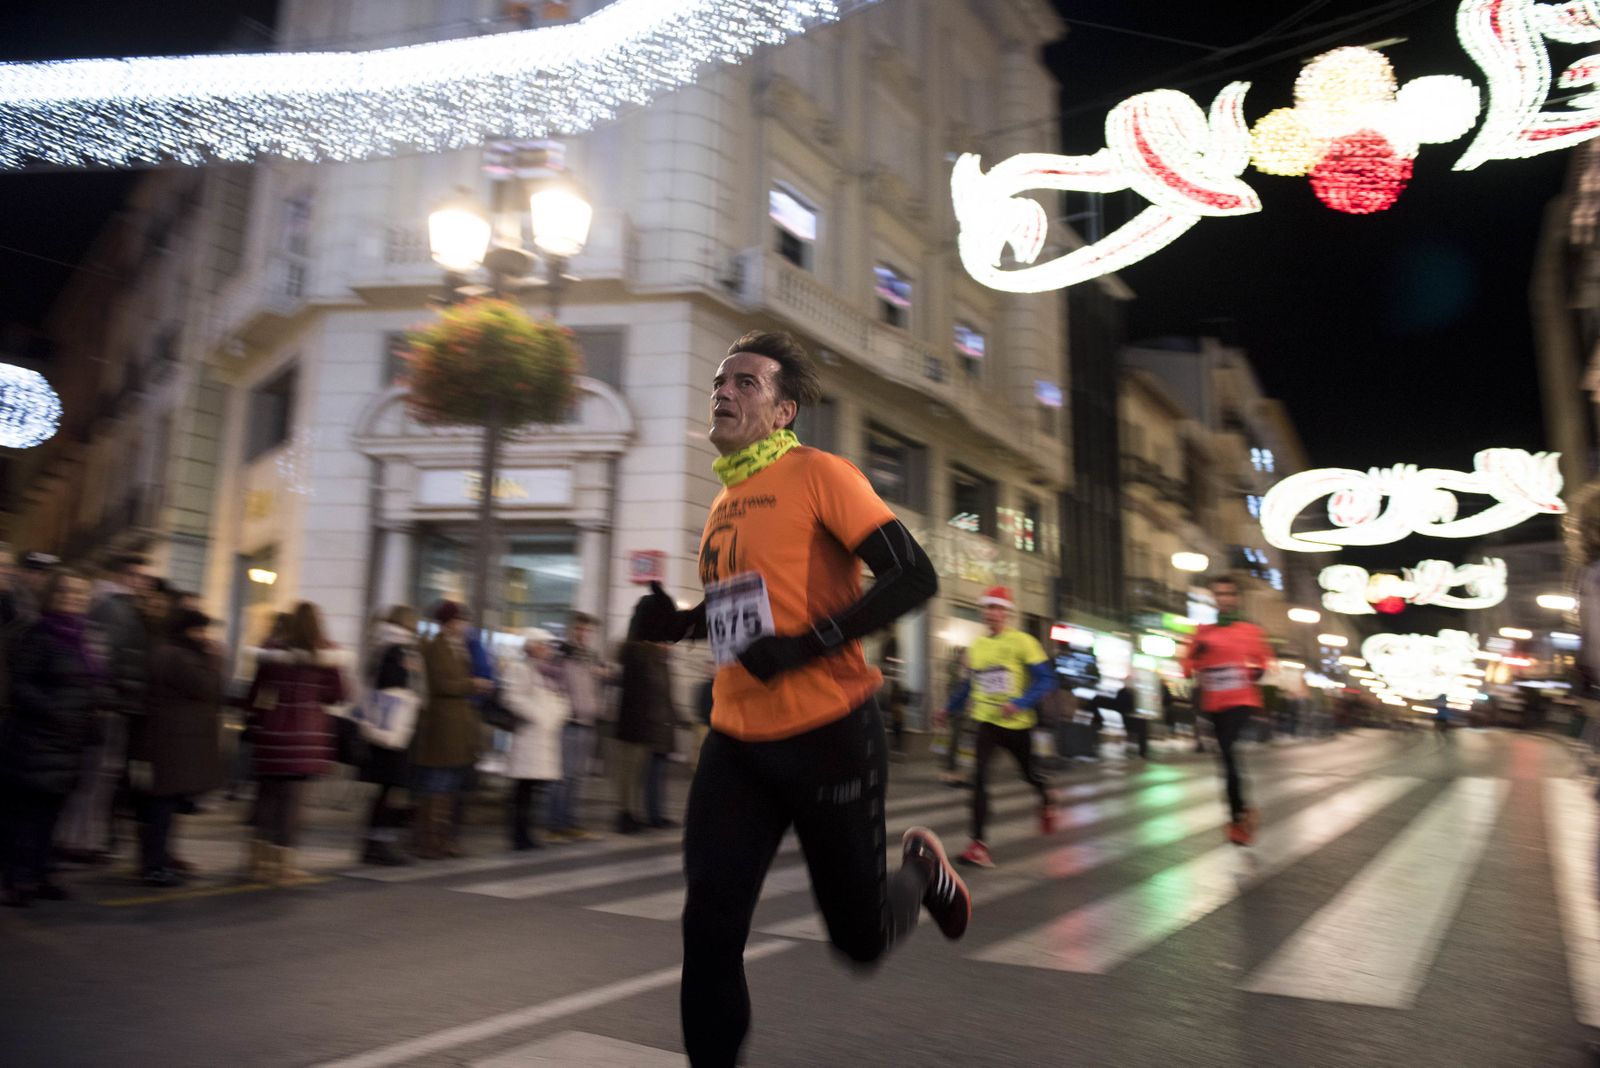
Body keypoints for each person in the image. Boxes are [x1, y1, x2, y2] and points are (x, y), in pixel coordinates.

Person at [640, 329, 970, 1068]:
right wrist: (680, 623)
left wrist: (808, 643)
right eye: (719, 382)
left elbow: (914, 575)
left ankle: (922, 872)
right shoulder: (724, 500)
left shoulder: (821, 474)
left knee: (860, 940)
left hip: (829, 734)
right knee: (710, 925)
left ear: (784, 410)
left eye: (745, 383)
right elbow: (747, 613)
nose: (723, 392)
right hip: (736, 742)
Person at [0, 570, 103, 906]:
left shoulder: (81, 638)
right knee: (25, 815)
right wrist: (53, 711)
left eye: (80, 593)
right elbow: (21, 686)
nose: (74, 598)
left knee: (51, 815)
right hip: (36, 741)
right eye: (67, 592)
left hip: (68, 744)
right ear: (53, 595)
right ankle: (16, 880)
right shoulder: (38, 634)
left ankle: (40, 874)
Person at [945, 586, 1059, 869]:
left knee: (1029, 774)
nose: (992, 613)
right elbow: (970, 684)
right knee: (979, 778)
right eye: (988, 608)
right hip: (987, 722)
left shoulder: (1023, 642)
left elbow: (1047, 680)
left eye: (997, 608)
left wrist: (1020, 703)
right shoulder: (978, 646)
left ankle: (1046, 796)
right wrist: (948, 708)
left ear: (1007, 613)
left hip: (1018, 725)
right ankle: (978, 845)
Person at [246, 601, 349, 884]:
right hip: (306, 734)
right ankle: (283, 865)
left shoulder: (272, 652)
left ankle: (259, 861)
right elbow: (338, 694)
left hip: (272, 731)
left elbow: (256, 691)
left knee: (267, 795)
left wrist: (257, 718)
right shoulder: (325, 654)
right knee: (292, 800)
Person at [57, 554, 148, 865]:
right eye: (138, 576)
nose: (143, 583)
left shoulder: (122, 608)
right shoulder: (114, 609)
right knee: (94, 779)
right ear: (125, 576)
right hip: (108, 708)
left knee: (99, 779)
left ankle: (83, 840)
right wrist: (112, 696)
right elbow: (104, 661)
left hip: (112, 705)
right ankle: (79, 842)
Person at [1181, 574, 1276, 847]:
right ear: (1213, 599)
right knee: (1225, 759)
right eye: (1219, 594)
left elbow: (1264, 661)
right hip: (1213, 704)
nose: (1224, 599)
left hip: (1242, 701)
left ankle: (1238, 818)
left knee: (1227, 750)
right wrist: (1196, 655)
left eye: (1229, 594)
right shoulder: (1202, 632)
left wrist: (1256, 671)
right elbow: (1187, 668)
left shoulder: (1250, 631)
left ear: (1237, 598)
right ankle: (1243, 812)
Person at [131, 609, 224, 887]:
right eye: (199, 630)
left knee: (163, 807)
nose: (204, 637)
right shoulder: (179, 656)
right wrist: (214, 659)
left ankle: (159, 859)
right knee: (161, 808)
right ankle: (154, 865)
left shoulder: (168, 652)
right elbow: (207, 687)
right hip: (172, 745)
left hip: (171, 743)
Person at [414, 601, 491, 858]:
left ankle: (443, 837)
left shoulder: (460, 647)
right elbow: (442, 683)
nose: (464, 625)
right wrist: (472, 684)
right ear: (449, 622)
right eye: (460, 620)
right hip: (442, 724)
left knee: (450, 786)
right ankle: (429, 840)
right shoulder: (436, 647)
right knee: (437, 783)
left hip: (458, 725)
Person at [356, 606, 422, 866]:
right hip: (392, 728)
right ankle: (380, 844)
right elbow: (392, 681)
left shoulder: (384, 644)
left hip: (385, 726)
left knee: (386, 789)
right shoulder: (397, 648)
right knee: (389, 789)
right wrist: (409, 674)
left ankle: (375, 843)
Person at [614, 597, 679, 833]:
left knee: (635, 773)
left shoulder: (640, 650)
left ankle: (632, 814)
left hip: (640, 722)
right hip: (632, 721)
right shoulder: (635, 650)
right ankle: (625, 816)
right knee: (628, 773)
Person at [500, 627, 569, 850]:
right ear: (533, 646)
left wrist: (554, 712)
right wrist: (538, 714)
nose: (547, 649)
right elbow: (511, 698)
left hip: (541, 740)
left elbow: (557, 699)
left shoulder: (541, 672)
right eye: (543, 645)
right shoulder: (520, 669)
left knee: (532, 790)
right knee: (524, 789)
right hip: (528, 738)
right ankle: (519, 834)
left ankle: (526, 833)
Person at [547, 610, 605, 841]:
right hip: (569, 722)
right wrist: (565, 708)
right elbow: (553, 684)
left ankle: (570, 822)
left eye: (587, 630)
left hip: (587, 722)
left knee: (577, 775)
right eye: (579, 629)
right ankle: (555, 825)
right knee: (563, 776)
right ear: (571, 630)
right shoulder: (563, 654)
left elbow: (595, 685)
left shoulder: (590, 656)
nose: (583, 634)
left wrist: (597, 705)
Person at [938, 647, 969, 785]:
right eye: (965, 656)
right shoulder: (958, 672)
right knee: (954, 742)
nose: (967, 659)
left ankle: (951, 769)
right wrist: (947, 709)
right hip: (956, 712)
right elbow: (957, 694)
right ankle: (950, 771)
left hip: (956, 711)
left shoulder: (956, 672)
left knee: (955, 742)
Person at [1117, 681, 1149, 759]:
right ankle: (1133, 752)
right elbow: (1119, 704)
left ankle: (1141, 752)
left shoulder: (1135, 692)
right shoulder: (1124, 692)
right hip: (1129, 717)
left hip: (1136, 717)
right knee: (1133, 735)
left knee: (1140, 734)